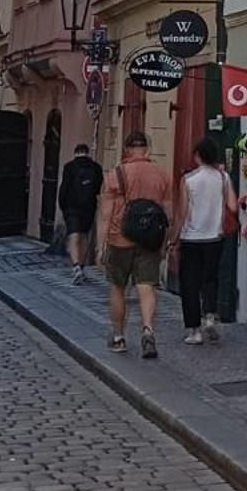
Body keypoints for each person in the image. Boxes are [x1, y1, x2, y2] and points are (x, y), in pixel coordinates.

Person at [99, 131, 170, 360]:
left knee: (118, 287)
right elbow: (167, 212)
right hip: (149, 239)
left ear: (127, 149)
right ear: (147, 149)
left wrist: (100, 245)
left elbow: (105, 214)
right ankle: (148, 331)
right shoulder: (161, 174)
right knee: (147, 285)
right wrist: (167, 239)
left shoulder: (115, 174)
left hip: (120, 237)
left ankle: (119, 337)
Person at [176, 136, 237, 345]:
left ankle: (194, 331)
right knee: (211, 278)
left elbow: (183, 212)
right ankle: (210, 315)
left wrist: (174, 236)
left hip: (192, 237)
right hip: (215, 236)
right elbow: (234, 206)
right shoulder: (224, 177)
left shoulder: (188, 179)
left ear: (198, 156)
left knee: (190, 284)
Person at [58, 142, 105, 283]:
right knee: (84, 235)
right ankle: (82, 266)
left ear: (76, 152)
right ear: (87, 152)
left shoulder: (69, 167)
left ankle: (75, 266)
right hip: (89, 207)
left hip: (72, 207)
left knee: (73, 235)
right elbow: (99, 189)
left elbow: (64, 188)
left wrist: (63, 207)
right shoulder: (96, 168)